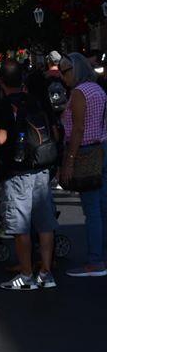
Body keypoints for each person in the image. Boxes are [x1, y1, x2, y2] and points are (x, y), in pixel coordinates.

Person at [0, 60, 60, 291]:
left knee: (21, 226)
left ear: (1, 81)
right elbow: (54, 131)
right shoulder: (36, 100)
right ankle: (46, 274)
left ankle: (26, 276)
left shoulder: (4, 105)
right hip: (42, 167)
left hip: (17, 171)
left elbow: (0, 138)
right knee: (44, 223)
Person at [59, 52, 107, 277]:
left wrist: (69, 160)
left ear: (76, 69)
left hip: (86, 151)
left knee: (92, 211)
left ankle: (96, 261)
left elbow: (78, 128)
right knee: (103, 208)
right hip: (102, 147)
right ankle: (102, 256)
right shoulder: (97, 89)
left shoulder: (79, 92)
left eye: (65, 71)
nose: (63, 76)